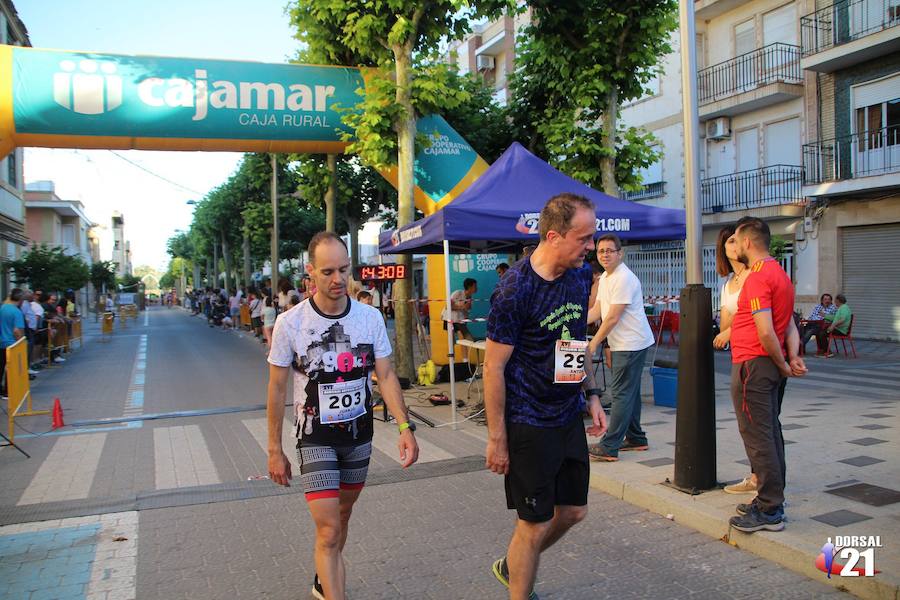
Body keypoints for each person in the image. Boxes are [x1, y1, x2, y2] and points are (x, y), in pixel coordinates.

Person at [266, 231, 419, 600]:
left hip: (358, 435)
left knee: (343, 516)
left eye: (344, 270)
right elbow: (275, 388)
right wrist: (274, 448)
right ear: (310, 273)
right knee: (329, 530)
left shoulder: (369, 318)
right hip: (314, 436)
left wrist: (404, 426)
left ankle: (324, 573)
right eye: (328, 271)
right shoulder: (291, 323)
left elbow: (384, 375)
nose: (338, 280)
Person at [484, 193, 607, 600]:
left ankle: (514, 563)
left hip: (566, 413)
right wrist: (497, 438)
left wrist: (590, 395)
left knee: (574, 511)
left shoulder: (578, 276)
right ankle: (521, 586)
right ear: (553, 236)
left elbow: (575, 340)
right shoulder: (514, 289)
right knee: (533, 523)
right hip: (528, 421)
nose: (591, 248)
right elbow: (493, 368)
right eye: (583, 239)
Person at [727, 217, 807, 533]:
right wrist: (793, 356)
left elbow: (765, 331)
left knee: (759, 437)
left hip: (754, 365)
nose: (732, 245)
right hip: (768, 365)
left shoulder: (758, 278)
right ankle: (770, 499)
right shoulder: (781, 275)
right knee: (770, 432)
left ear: (748, 242)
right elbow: (787, 324)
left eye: (735, 239)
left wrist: (784, 361)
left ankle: (770, 508)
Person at [585, 233, 655, 462]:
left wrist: (594, 344)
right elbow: (598, 311)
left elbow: (613, 317)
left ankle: (609, 445)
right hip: (624, 343)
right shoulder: (606, 277)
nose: (604, 254)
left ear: (620, 253)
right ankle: (636, 438)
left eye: (609, 250)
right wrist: (572, 322)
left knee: (621, 393)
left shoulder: (624, 278)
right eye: (601, 251)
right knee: (630, 392)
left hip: (631, 343)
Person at [0, 289, 26, 395]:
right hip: (12, 344)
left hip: (1, 342)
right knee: (11, 369)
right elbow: (17, 330)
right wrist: (21, 341)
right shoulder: (16, 312)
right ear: (20, 299)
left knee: (1, 367)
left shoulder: (2, 308)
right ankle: (8, 391)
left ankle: (2, 391)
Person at [823, 294, 852, 358]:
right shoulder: (842, 308)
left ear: (838, 300)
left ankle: (828, 352)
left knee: (822, 333)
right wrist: (825, 316)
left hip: (841, 331)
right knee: (821, 331)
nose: (835, 302)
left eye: (835, 300)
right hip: (838, 329)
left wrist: (833, 326)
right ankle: (823, 350)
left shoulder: (844, 308)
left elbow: (842, 319)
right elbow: (835, 318)